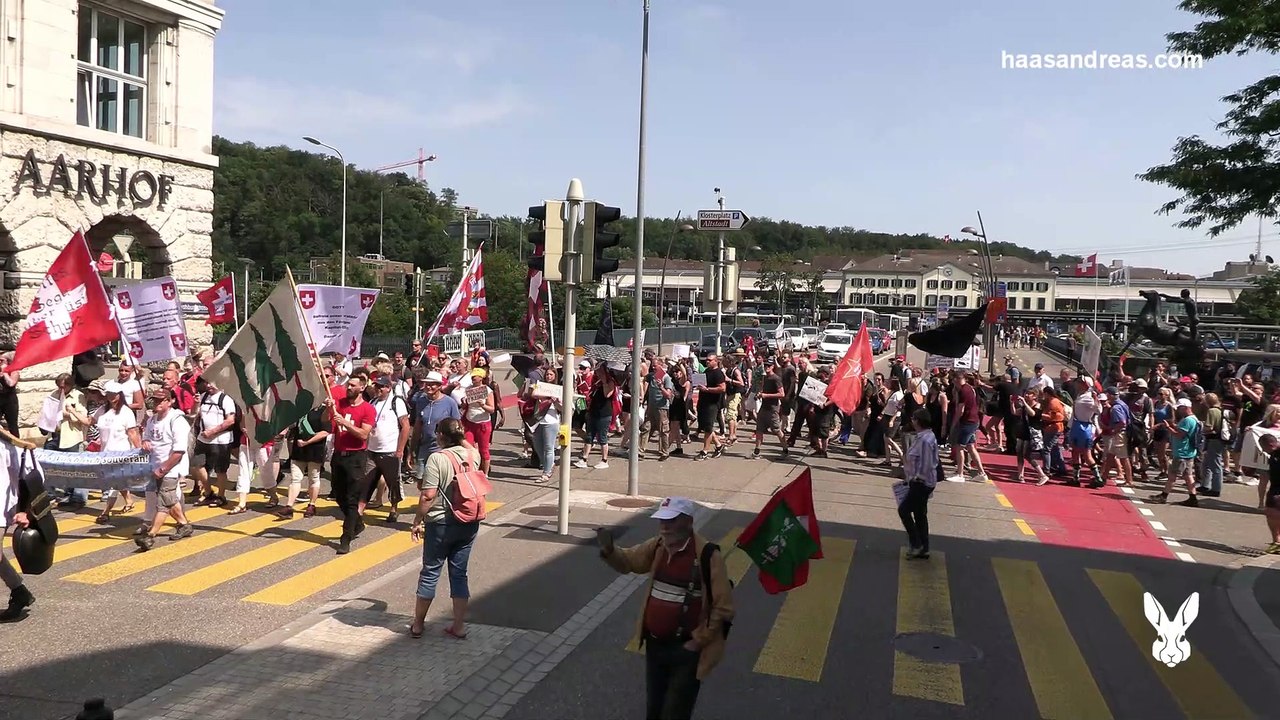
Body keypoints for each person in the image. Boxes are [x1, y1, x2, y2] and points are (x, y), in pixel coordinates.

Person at [597, 496, 734, 720]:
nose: (664, 526)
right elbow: (631, 561)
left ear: (688, 522)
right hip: (655, 647)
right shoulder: (658, 545)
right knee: (654, 710)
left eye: (670, 521)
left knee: (675, 713)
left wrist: (697, 642)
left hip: (685, 651)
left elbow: (723, 607)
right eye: (662, 520)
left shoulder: (708, 555)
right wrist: (611, 550)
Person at [409, 418, 481, 641]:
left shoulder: (437, 459)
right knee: (459, 574)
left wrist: (417, 521)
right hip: (469, 520)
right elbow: (468, 446)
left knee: (431, 571)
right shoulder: (473, 455)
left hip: (441, 522)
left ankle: (418, 625)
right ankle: (458, 626)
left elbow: (428, 495)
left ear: (440, 436)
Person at [135, 385, 195, 550]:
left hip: (170, 468)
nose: (157, 403)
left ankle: (150, 536)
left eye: (162, 400)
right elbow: (146, 437)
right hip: (155, 466)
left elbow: (179, 451)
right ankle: (184, 524)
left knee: (163, 503)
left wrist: (164, 469)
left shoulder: (177, 421)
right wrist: (146, 441)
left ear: (170, 401)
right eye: (155, 400)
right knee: (169, 500)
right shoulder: (152, 419)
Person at [324, 376, 376, 554]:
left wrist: (345, 423)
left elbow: (363, 434)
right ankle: (358, 523)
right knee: (339, 495)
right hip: (339, 455)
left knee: (352, 499)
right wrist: (328, 408)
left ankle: (346, 537)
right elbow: (325, 420)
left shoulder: (368, 409)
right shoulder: (340, 403)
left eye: (353, 385)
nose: (349, 387)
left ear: (362, 388)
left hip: (356, 457)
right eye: (348, 384)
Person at [900, 409, 939, 559]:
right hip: (920, 481)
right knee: (920, 514)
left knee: (904, 510)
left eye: (913, 418)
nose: (912, 420)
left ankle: (916, 544)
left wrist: (918, 478)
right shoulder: (924, 436)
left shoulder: (924, 439)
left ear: (918, 421)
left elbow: (927, 463)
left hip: (921, 482)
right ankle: (924, 547)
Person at [1257, 434, 1280, 554]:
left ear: (1270, 445)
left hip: (1278, 489)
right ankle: (1276, 542)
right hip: (1275, 486)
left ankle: (1277, 542)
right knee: (1271, 512)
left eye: (1263, 447)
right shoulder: (1273, 455)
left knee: (1271, 512)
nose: (1262, 450)